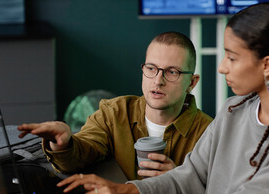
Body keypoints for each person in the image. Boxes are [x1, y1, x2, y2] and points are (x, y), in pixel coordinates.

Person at [54, 3, 269, 194]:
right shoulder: (234, 109)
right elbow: (191, 177)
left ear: (267, 65)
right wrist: (127, 191)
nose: (221, 67)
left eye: (231, 57)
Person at [17, 31, 213, 180]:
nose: (158, 81)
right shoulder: (114, 113)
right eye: (151, 68)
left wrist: (181, 180)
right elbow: (82, 153)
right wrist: (63, 144)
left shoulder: (210, 133)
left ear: (192, 82)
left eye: (172, 72)